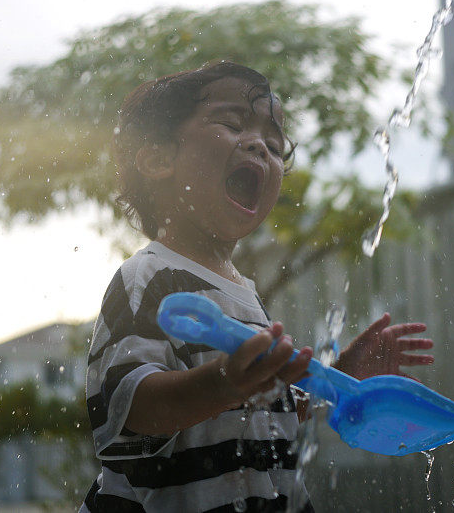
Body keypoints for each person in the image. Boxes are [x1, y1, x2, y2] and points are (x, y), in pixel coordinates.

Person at [80, 61, 435, 513]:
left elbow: (262, 413)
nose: (261, 148)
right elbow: (132, 409)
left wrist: (339, 378)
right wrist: (224, 382)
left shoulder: (243, 292)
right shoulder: (147, 277)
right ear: (157, 158)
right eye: (231, 124)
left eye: (275, 143)